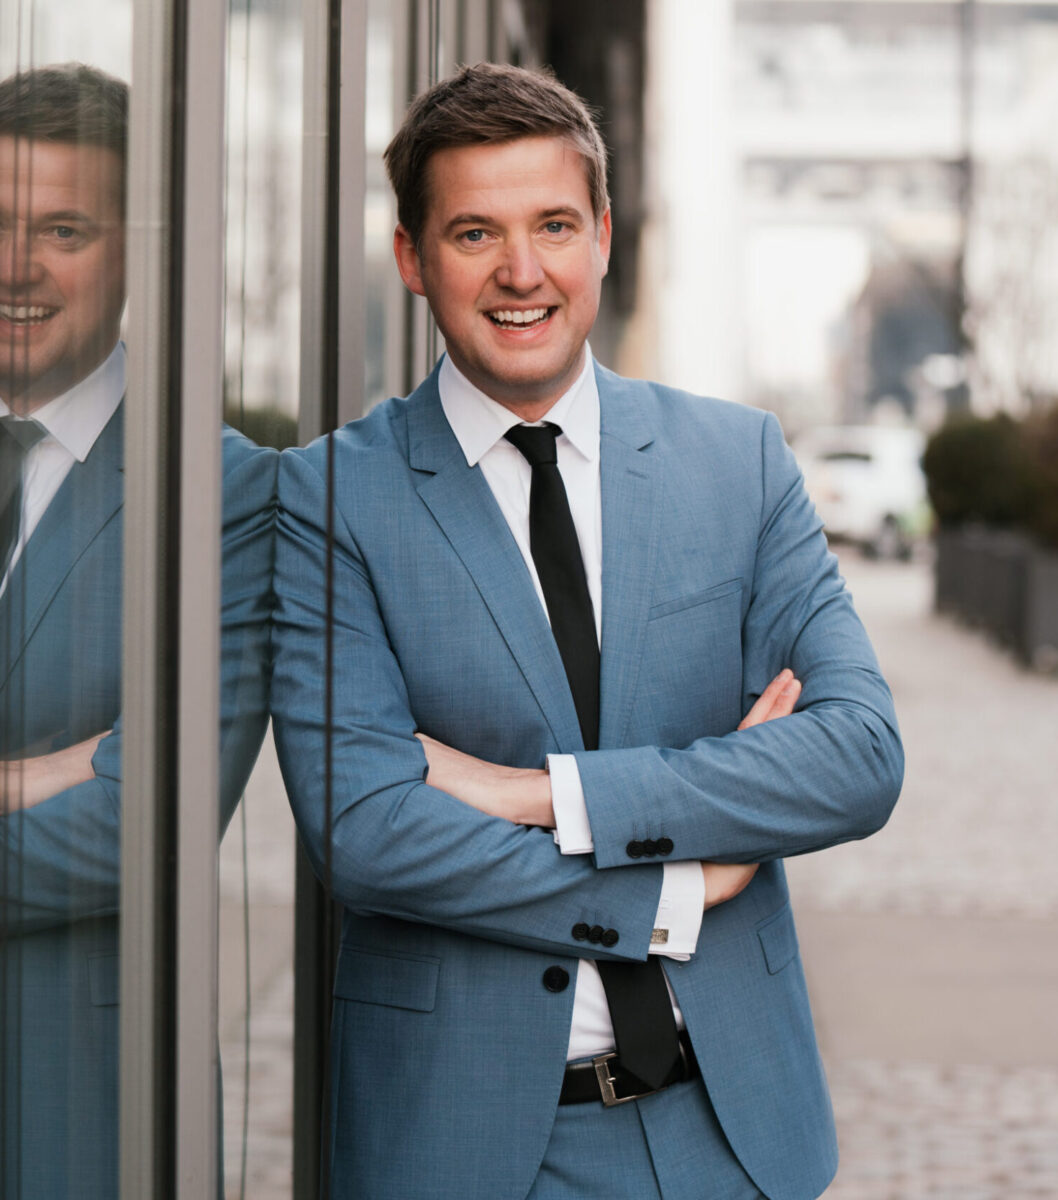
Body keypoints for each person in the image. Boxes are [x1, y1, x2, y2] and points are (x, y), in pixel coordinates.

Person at [271, 61, 903, 1200]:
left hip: (735, 1133)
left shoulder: (740, 461)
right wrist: (670, 890)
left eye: (555, 225)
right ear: (412, 258)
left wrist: (542, 794)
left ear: (603, 236)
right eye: (475, 233)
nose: (524, 273)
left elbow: (857, 757)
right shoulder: (327, 501)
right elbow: (369, 829)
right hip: (464, 1146)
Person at [0, 63, 276, 1198]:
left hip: (79, 1104)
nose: (16, 266)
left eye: (62, 228)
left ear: (138, 256)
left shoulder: (219, 494)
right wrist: (48, 772)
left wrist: (107, 779)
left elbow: (144, 824)